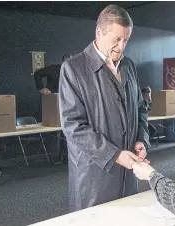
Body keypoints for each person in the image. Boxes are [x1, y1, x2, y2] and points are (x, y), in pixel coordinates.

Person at [59, 5, 150, 212]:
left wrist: (141, 140)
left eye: (126, 40)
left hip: (128, 175)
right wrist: (115, 154)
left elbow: (140, 109)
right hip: (94, 178)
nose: (121, 46)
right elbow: (73, 126)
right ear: (99, 33)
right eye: (116, 39)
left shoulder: (129, 66)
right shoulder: (73, 68)